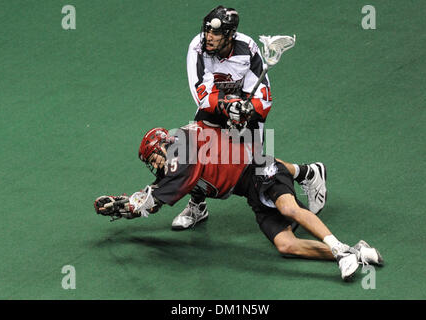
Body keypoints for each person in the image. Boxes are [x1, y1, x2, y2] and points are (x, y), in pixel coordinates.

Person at [94, 124, 384, 281]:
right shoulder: (179, 157)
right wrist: (125, 204)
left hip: (260, 168)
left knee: (289, 208)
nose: (155, 165)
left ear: (163, 147)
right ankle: (354, 252)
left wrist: (131, 206)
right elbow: (164, 188)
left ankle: (337, 250)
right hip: (250, 194)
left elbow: (161, 191)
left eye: (153, 158)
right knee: (286, 245)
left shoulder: (182, 148)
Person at [177, 5, 325, 230]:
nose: (209, 37)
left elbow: (264, 99)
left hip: (246, 114)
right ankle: (197, 205)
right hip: (216, 107)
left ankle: (308, 173)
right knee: (193, 151)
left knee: (251, 168)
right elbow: (202, 93)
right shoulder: (197, 48)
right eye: (207, 30)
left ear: (229, 34)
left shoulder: (248, 49)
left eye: (216, 33)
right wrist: (229, 105)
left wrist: (246, 111)